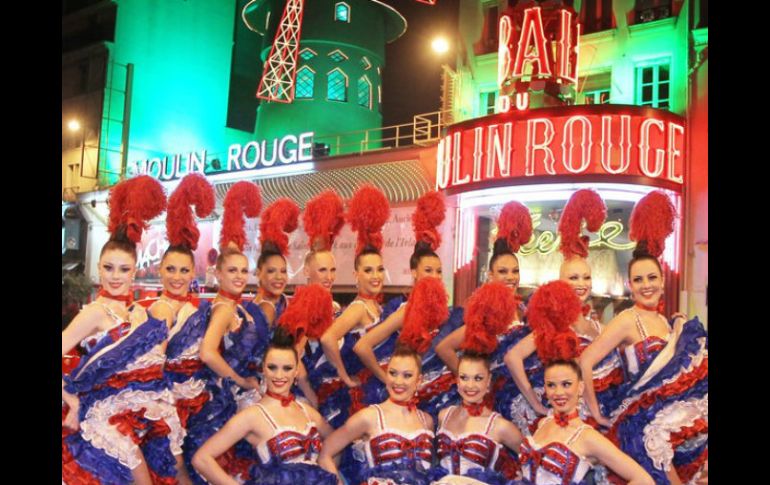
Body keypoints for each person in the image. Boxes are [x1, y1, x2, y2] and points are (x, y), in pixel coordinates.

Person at [578, 191, 708, 485]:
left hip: (669, 419)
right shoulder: (627, 319)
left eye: (651, 278)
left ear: (663, 281)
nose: (646, 285)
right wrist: (597, 413)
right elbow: (585, 361)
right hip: (643, 424)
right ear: (630, 285)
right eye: (638, 280)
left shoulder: (665, 321)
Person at [62, 176, 185, 485]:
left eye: (124, 269)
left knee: (170, 469)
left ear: (135, 271)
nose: (115, 276)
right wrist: (72, 400)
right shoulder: (94, 312)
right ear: (98, 268)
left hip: (147, 413)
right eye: (108, 268)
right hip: (107, 418)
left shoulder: (141, 311)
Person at [507, 281, 655, 485]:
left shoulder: (587, 436)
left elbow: (643, 479)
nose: (559, 392)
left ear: (581, 388)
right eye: (551, 385)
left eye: (567, 384)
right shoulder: (543, 424)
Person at [503, 189, 624, 430]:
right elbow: (512, 357)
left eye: (586, 277)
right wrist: (536, 403)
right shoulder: (554, 325)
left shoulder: (599, 326)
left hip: (601, 413)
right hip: (568, 419)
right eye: (573, 278)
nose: (581, 284)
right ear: (561, 282)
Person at [353, 191, 463, 417]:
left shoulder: (446, 313)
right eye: (428, 270)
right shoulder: (405, 311)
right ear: (414, 273)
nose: (435, 276)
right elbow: (362, 346)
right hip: (409, 399)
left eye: (439, 271)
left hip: (442, 397)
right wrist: (386, 379)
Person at [183, 180, 263, 484]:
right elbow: (207, 353)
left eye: (243, 270)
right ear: (217, 274)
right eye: (232, 270)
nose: (240, 276)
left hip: (231, 396)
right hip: (221, 398)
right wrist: (239, 380)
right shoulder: (224, 309)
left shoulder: (235, 306)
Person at [191, 327, 337, 484]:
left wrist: (329, 474)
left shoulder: (307, 411)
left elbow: (337, 443)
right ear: (263, 369)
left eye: (287, 368)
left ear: (296, 372)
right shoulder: (252, 415)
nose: (279, 375)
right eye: (272, 367)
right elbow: (202, 459)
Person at [435, 200, 532, 422]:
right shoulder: (487, 313)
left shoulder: (524, 308)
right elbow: (444, 348)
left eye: (515, 271)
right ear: (490, 275)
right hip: (497, 399)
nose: (511, 277)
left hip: (525, 396)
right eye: (503, 271)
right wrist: (474, 382)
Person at [146, 173, 214, 484]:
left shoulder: (199, 308)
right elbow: (154, 364)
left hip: (202, 399)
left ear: (193, 273)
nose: (177, 276)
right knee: (177, 470)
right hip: (170, 402)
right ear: (160, 270)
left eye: (184, 270)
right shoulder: (158, 309)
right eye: (170, 269)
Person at [430, 282, 525, 485]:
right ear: (456, 380)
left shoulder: (501, 426)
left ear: (488, 382)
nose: (470, 386)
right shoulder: (444, 415)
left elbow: (533, 461)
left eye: (478, 378)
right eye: (464, 377)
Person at [316, 184, 390, 428]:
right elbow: (328, 338)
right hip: (363, 390)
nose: (375, 276)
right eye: (368, 270)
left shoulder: (377, 306)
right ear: (356, 275)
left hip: (376, 387)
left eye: (379, 269)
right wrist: (345, 376)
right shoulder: (358, 307)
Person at [318, 345, 435, 485]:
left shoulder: (426, 421)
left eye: (407, 375)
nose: (398, 381)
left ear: (419, 380)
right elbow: (325, 454)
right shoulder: (369, 416)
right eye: (393, 373)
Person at [295, 190, 346, 406]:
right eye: (322, 270)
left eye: (332, 270)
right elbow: (294, 356)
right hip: (307, 397)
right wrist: (312, 397)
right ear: (307, 271)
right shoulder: (302, 306)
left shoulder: (334, 305)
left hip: (331, 393)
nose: (329, 277)